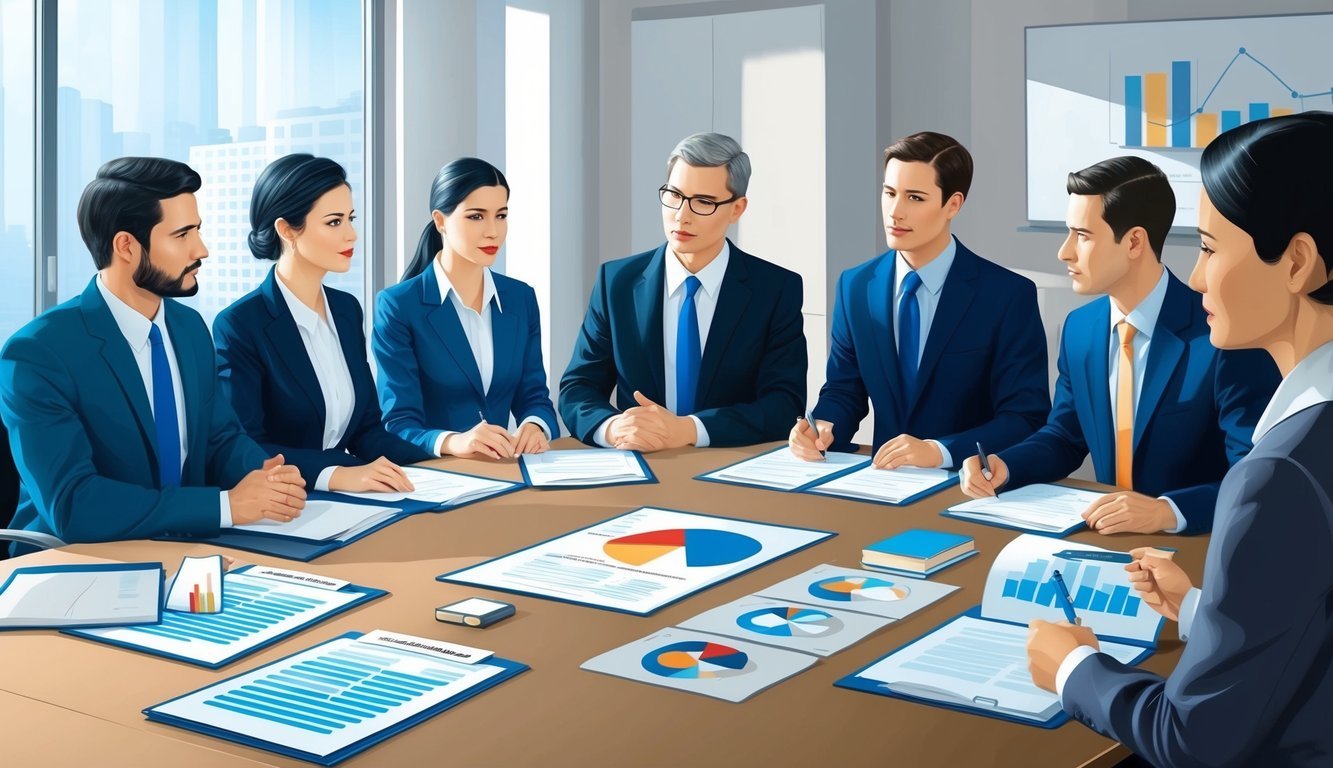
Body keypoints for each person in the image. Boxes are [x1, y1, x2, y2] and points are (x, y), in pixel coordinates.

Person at [1027, 112, 1333, 765]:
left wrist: (1073, 668)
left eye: (1211, 248)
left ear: (1297, 262)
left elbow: (1192, 740)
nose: (1195, 277)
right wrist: (1199, 609)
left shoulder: (1279, 474)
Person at [959, 156, 1278, 534]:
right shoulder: (1079, 329)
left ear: (1134, 242)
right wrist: (1006, 466)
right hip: (1104, 539)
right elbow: (1064, 436)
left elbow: (1254, 475)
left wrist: (1166, 511)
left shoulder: (1221, 337)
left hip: (1195, 547)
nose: (1064, 252)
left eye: (1082, 235)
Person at [0, 157, 305, 552]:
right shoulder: (39, 353)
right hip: (78, 563)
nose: (202, 249)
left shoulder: (190, 328)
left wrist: (266, 476)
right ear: (126, 245)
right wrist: (225, 506)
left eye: (198, 230)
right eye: (182, 235)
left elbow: (219, 438)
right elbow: (74, 504)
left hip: (191, 551)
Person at [789, 131, 1049, 469]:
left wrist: (940, 451)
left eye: (914, 198)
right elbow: (844, 391)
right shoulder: (855, 286)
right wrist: (821, 427)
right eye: (889, 193)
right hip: (880, 485)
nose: (895, 212)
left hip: (970, 485)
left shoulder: (1007, 295)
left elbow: (1025, 417)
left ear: (953, 204)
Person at [559, 132, 806, 450]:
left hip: (730, 470)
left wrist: (689, 430)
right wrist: (612, 428)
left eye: (703, 202)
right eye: (674, 195)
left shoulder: (774, 289)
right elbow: (577, 387)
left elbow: (784, 405)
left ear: (737, 209)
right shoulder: (616, 282)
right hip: (638, 464)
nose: (681, 215)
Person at [213, 154, 430, 492]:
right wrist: (336, 474)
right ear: (286, 229)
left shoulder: (346, 310)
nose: (352, 235)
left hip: (354, 498)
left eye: (350, 219)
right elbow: (246, 447)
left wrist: (436, 465)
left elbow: (366, 431)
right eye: (334, 222)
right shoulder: (240, 325)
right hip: (285, 503)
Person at [373, 158, 558, 460]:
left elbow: (534, 396)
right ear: (440, 221)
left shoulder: (520, 298)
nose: (493, 231)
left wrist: (535, 426)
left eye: (501, 216)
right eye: (476, 217)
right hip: (434, 475)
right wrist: (453, 442)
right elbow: (397, 424)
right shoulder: (398, 306)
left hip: (504, 471)